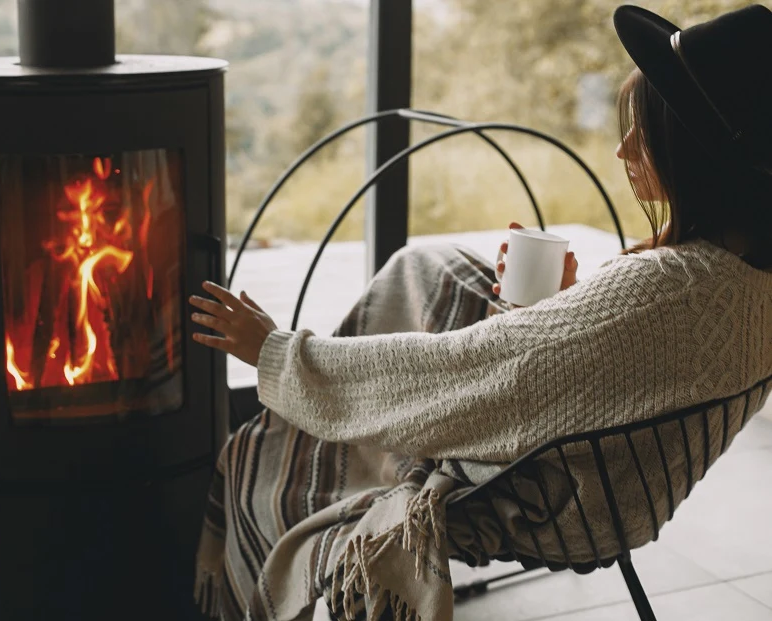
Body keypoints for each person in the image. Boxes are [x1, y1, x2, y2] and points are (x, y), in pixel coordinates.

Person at [190, 5, 772, 620]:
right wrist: (554, 311)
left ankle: (285, 461)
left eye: (647, 130)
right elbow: (592, 371)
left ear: (696, 153)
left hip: (537, 494)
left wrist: (275, 353)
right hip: (605, 479)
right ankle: (306, 425)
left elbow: (466, 372)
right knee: (429, 270)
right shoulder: (746, 279)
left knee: (275, 446)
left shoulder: (664, 288)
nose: (626, 147)